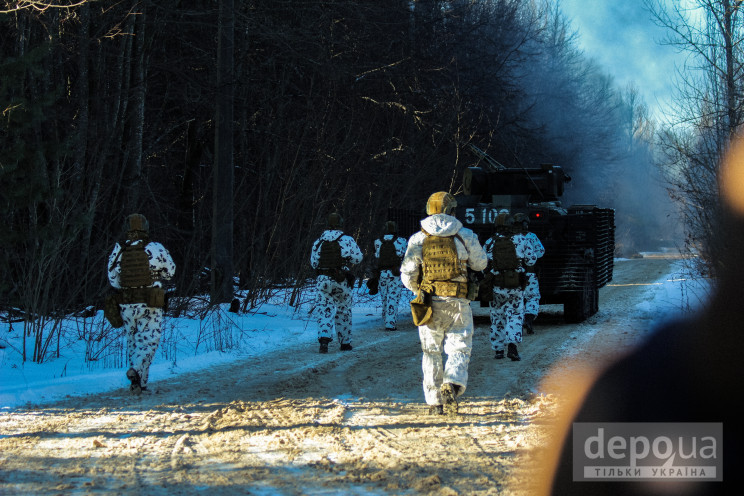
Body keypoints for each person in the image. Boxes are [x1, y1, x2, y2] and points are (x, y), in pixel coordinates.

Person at [400, 192, 487, 416]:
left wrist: (419, 290)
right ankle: (453, 382)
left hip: (430, 301)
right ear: (451, 210)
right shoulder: (465, 235)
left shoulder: (418, 238)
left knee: (431, 351)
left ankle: (434, 402)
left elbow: (408, 273)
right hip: (458, 301)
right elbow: (480, 264)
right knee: (460, 346)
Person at [107, 213, 176, 394]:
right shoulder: (155, 248)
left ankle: (139, 384)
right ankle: (137, 370)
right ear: (145, 227)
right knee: (149, 340)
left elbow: (113, 279)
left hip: (126, 304)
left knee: (133, 341)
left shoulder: (119, 249)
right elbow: (171, 272)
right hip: (150, 303)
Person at [483, 212, 534, 361]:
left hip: (497, 285)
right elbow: (531, 260)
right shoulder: (521, 239)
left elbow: (481, 263)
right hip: (516, 285)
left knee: (497, 316)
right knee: (515, 315)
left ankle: (498, 350)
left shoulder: (490, 242)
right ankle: (512, 346)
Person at [309, 212, 363, 353]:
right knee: (343, 310)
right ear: (340, 223)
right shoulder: (347, 240)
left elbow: (314, 263)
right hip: (341, 279)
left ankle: (324, 340)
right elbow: (358, 258)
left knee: (324, 309)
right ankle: (345, 343)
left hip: (323, 279)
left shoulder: (318, 241)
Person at [512, 212, 545, 334]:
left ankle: (515, 325)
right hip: (529, 273)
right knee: (533, 297)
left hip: (512, 275)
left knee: (515, 299)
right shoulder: (531, 236)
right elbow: (540, 252)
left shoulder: (508, 237)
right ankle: (529, 319)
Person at [373, 220, 408, 331]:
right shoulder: (402, 241)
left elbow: (376, 256)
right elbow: (405, 255)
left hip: (382, 273)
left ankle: (385, 319)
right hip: (395, 274)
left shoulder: (378, 242)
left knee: (384, 298)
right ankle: (390, 323)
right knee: (393, 297)